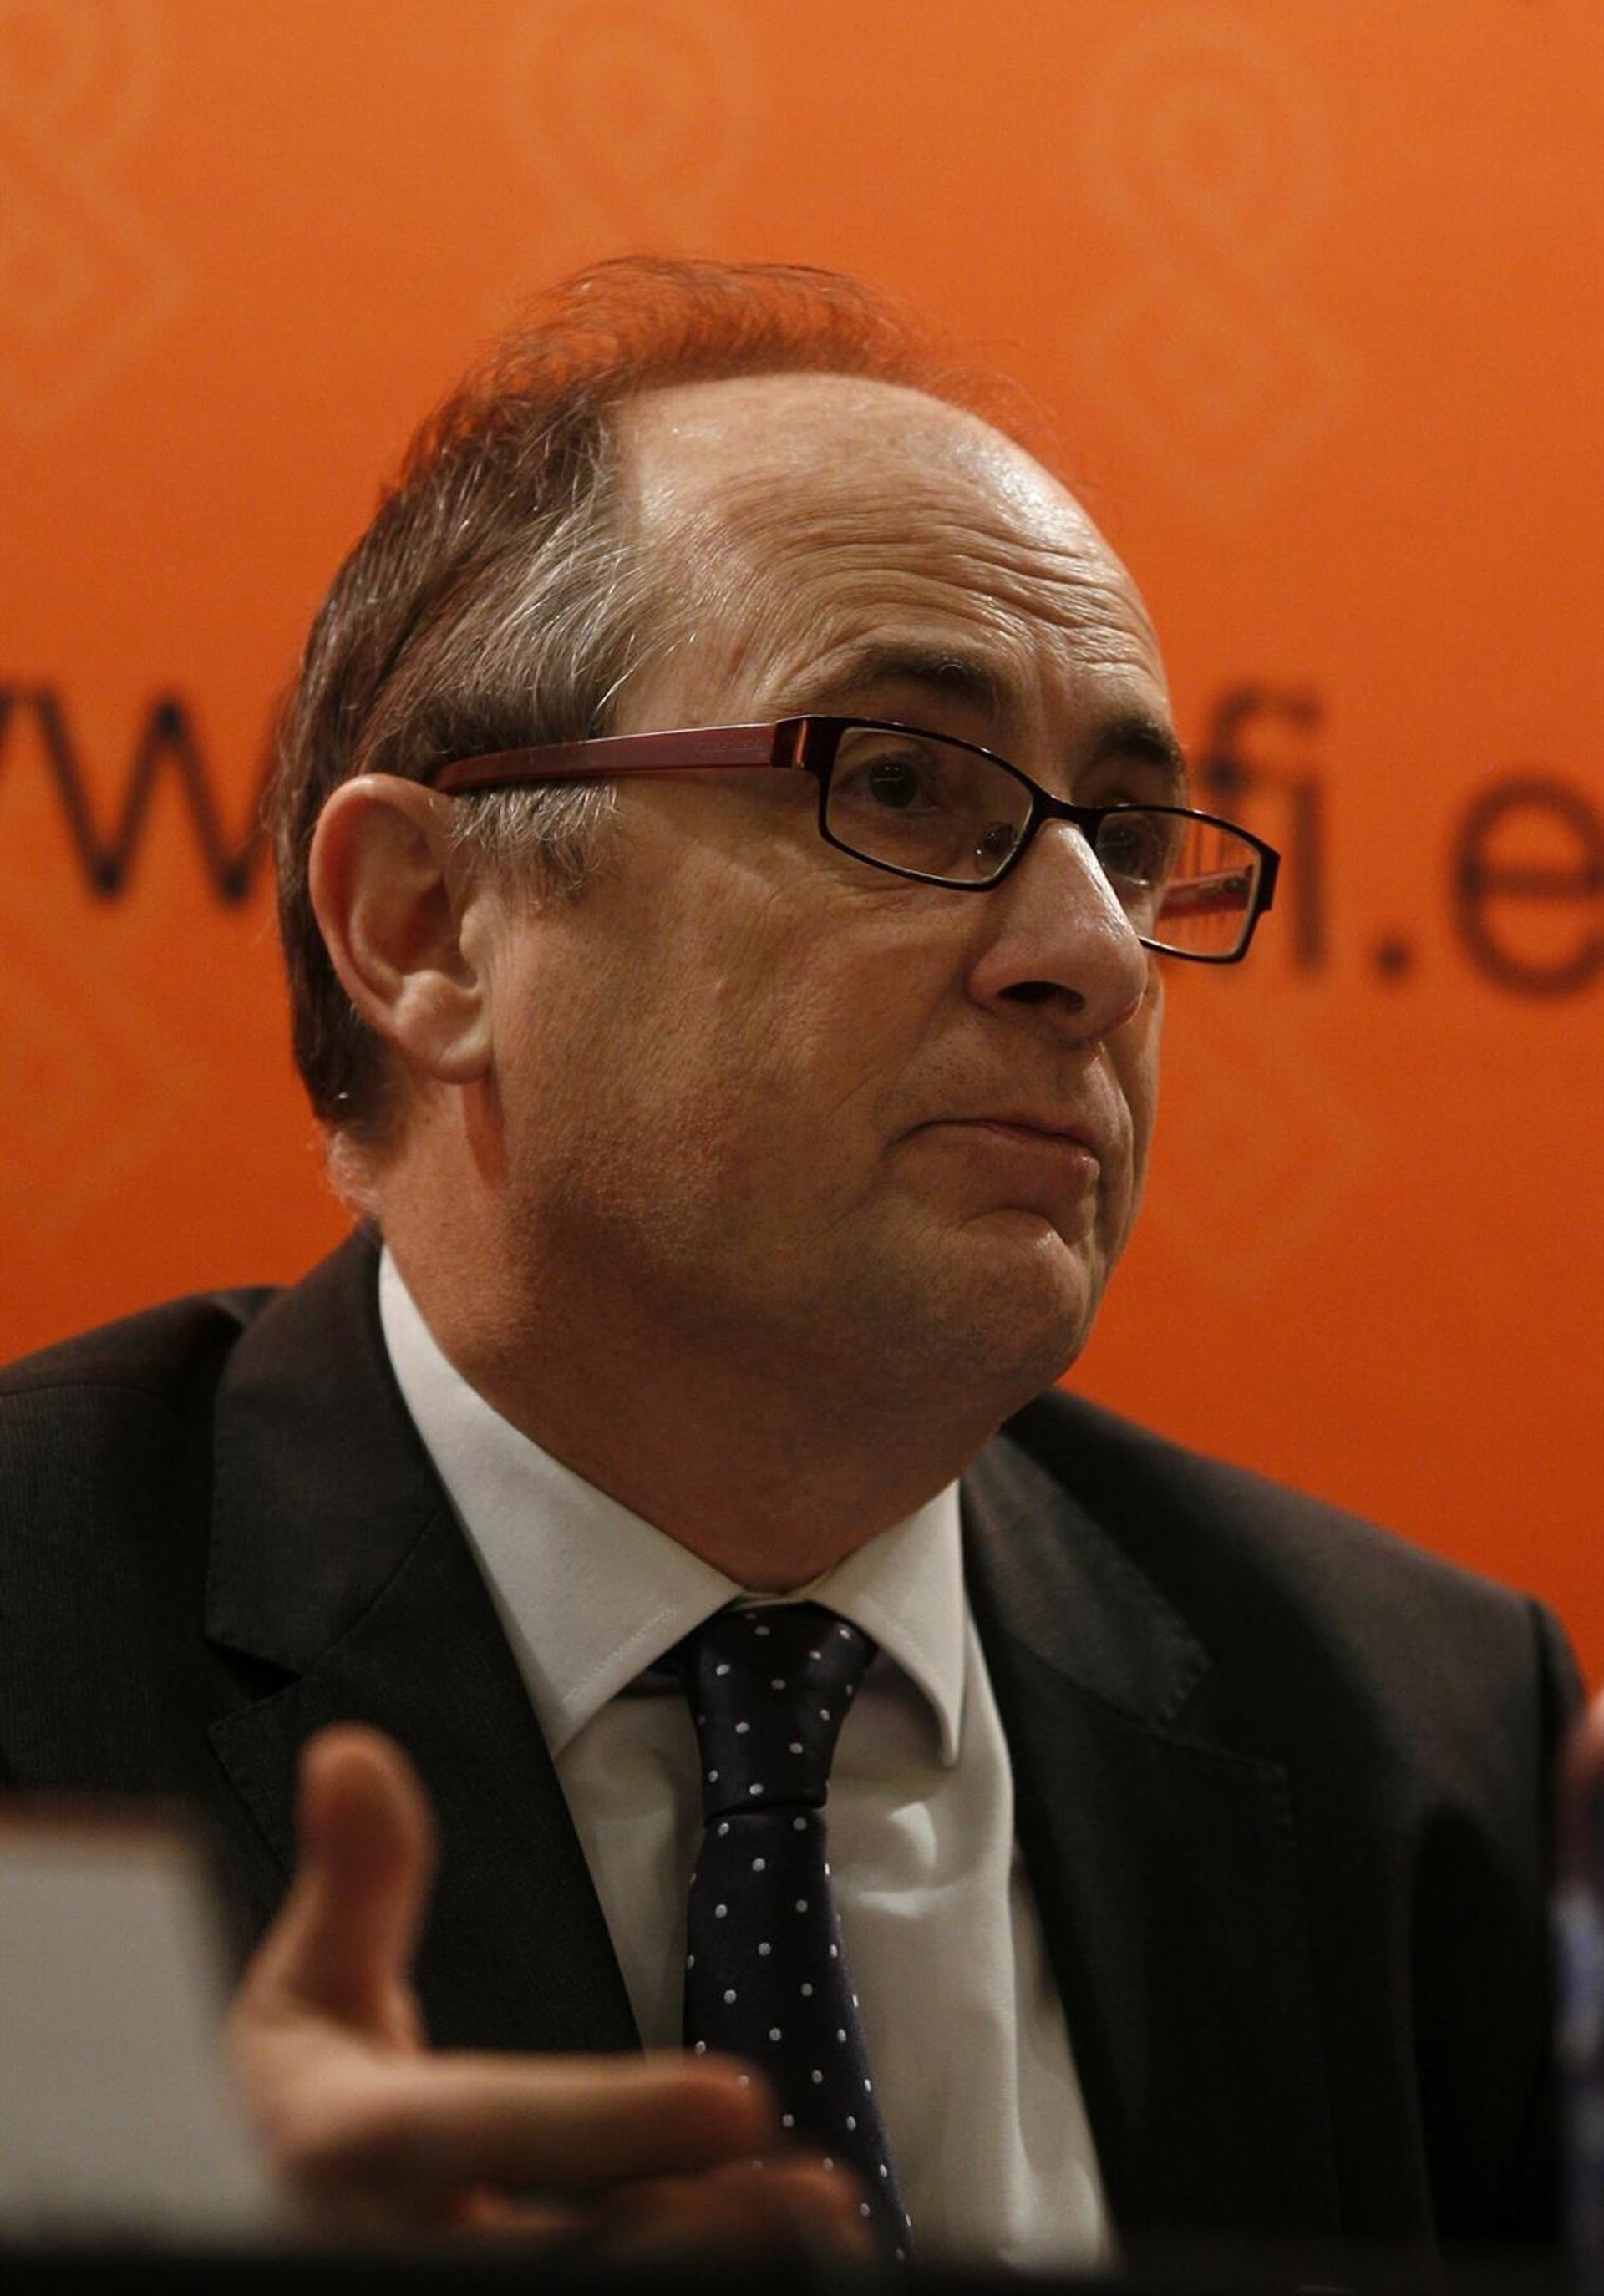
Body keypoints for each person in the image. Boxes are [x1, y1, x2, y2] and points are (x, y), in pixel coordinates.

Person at [0, 259, 1580, 2272]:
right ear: (426, 927)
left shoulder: (1428, 1749)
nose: (1090, 958)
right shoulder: (37, 1636)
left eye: (1123, 838)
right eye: (899, 783)